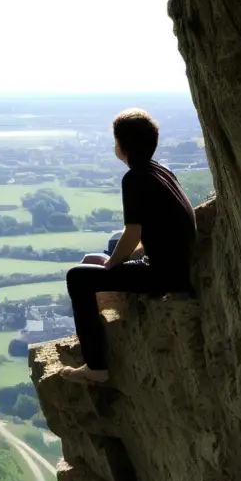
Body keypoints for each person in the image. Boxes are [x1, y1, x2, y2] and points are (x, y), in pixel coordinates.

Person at [60, 108, 197, 385]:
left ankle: (96, 367)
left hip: (163, 274)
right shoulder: (162, 170)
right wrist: (112, 261)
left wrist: (111, 266)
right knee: (99, 254)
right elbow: (157, 232)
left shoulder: (134, 178)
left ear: (122, 145)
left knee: (77, 277)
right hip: (175, 263)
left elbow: (133, 234)